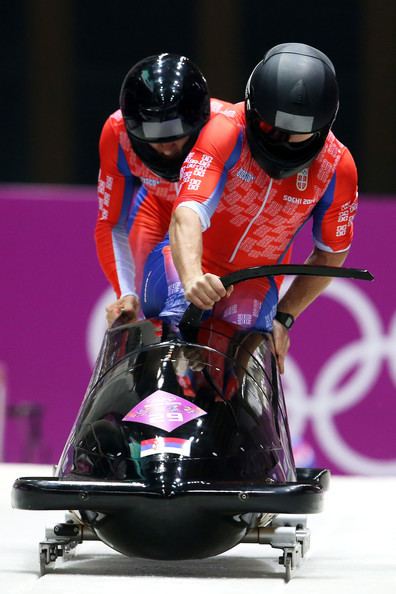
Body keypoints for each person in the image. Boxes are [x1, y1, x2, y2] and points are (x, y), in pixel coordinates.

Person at [141, 43, 358, 373]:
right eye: (272, 127)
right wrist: (192, 276)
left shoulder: (338, 167)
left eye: (295, 133)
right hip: (188, 263)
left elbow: (330, 253)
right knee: (177, 305)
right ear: (254, 111)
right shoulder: (224, 130)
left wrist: (284, 317)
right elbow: (188, 211)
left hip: (254, 281)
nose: (281, 140)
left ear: (321, 126)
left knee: (243, 336)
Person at [94, 53, 235, 325]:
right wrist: (126, 293)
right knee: (147, 307)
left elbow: (268, 225)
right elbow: (111, 223)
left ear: (198, 120)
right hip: (155, 209)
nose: (166, 148)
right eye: (153, 138)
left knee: (218, 310)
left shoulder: (228, 127)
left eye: (175, 136)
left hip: (218, 221)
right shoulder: (117, 132)